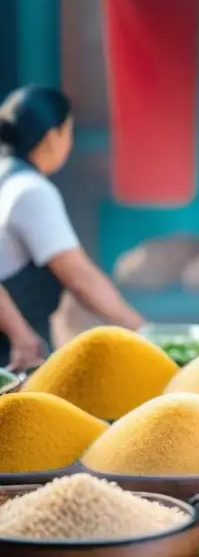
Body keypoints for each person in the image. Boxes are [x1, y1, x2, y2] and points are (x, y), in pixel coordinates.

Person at [0, 85, 144, 369]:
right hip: (13, 358)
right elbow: (80, 277)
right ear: (53, 137)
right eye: (69, 132)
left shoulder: (6, 176)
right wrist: (142, 331)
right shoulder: (32, 191)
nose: (70, 143)